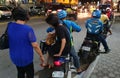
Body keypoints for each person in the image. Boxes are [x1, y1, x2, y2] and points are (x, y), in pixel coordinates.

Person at [7, 7, 45, 78]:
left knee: (20, 72)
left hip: (14, 57)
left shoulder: (10, 26)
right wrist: (41, 56)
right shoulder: (28, 29)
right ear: (25, 16)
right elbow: (35, 45)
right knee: (30, 74)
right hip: (26, 58)